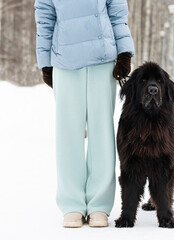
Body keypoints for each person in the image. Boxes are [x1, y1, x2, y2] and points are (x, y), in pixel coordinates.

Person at [34, 0, 135, 228]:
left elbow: (118, 14)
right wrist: (45, 64)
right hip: (65, 63)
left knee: (101, 133)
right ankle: (72, 204)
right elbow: (45, 19)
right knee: (69, 134)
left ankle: (99, 204)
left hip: (103, 60)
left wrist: (125, 52)